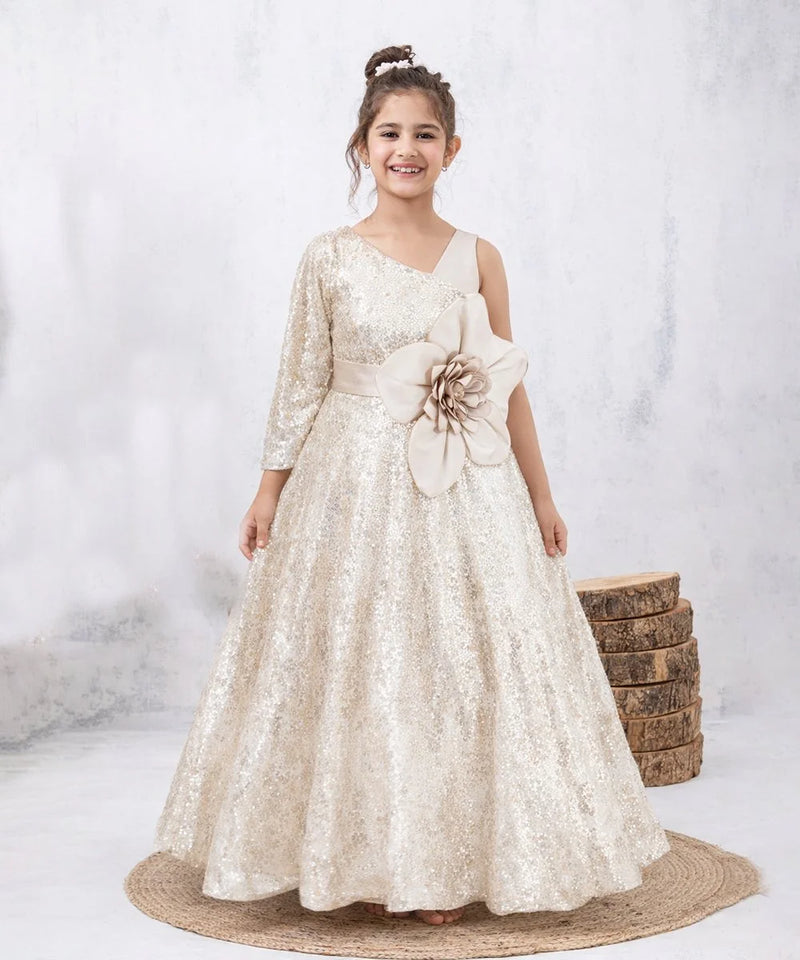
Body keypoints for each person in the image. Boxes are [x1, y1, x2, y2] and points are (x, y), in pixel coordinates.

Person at [151, 43, 670, 927]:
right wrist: (268, 490)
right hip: (348, 485)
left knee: (453, 660)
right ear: (362, 146)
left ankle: (442, 862)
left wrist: (542, 498)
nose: (407, 148)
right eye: (389, 132)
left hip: (464, 484)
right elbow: (301, 380)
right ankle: (351, 849)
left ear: (453, 150)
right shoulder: (329, 258)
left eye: (425, 134)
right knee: (362, 659)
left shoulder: (479, 256)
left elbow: (506, 386)